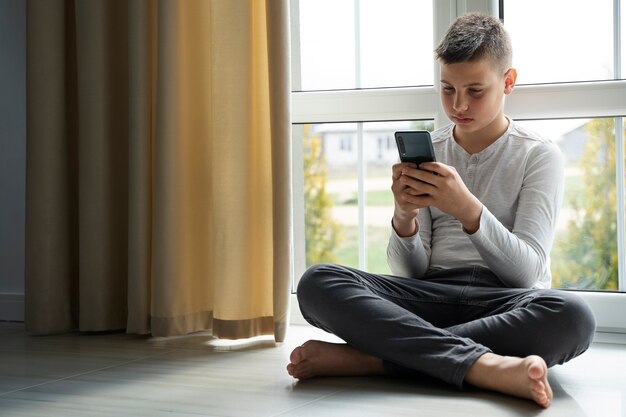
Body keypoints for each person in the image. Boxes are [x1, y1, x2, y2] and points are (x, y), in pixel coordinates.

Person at [286, 12, 596, 409]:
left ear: (508, 82)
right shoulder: (433, 149)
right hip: (429, 292)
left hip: (503, 300)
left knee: (571, 316)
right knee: (318, 282)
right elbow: (410, 273)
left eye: (475, 90)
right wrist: (404, 217)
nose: (459, 104)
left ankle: (372, 359)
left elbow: (527, 272)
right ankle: (486, 365)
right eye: (448, 89)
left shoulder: (540, 155)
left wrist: (468, 210)